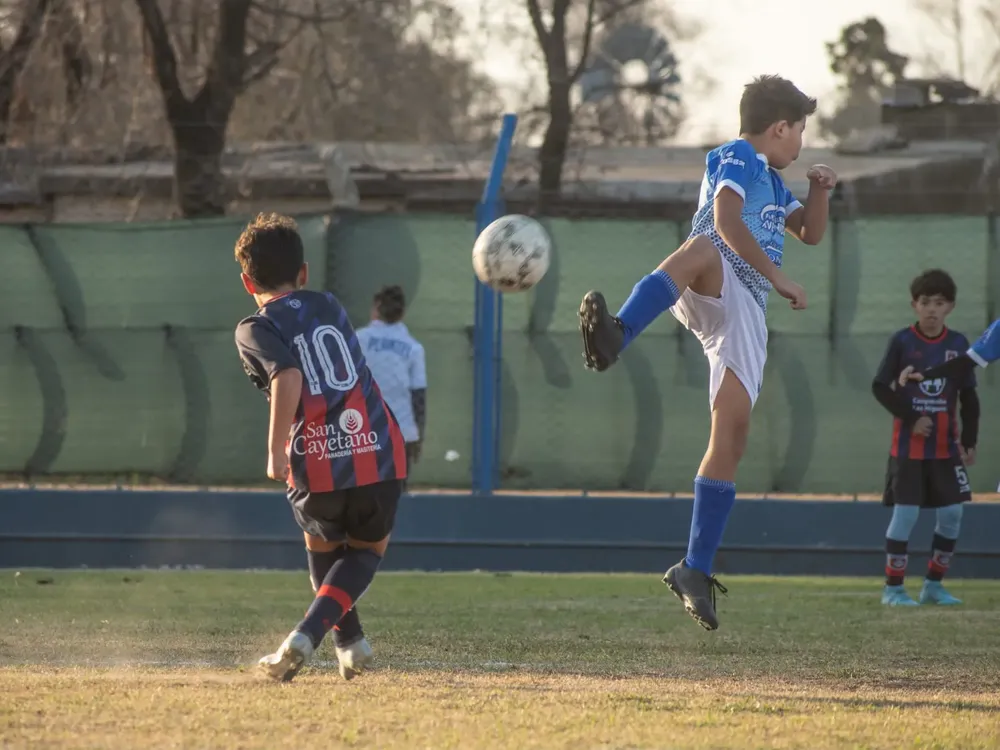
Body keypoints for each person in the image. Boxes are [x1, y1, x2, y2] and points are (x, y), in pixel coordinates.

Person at [577, 75, 835, 631]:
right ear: (779, 127)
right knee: (698, 248)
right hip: (721, 280)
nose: (802, 144)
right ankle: (615, 334)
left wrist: (820, 192)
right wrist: (781, 278)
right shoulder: (738, 154)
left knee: (731, 438)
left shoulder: (771, 178)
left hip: (740, 314)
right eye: (801, 133)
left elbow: (810, 234)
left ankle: (694, 569)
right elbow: (722, 223)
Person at [233, 213, 408, 682]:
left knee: (326, 553)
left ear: (247, 280)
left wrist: (274, 450)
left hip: (314, 460)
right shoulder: (329, 304)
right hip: (376, 445)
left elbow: (287, 375)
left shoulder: (252, 327)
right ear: (305, 273)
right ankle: (348, 644)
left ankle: (313, 639)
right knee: (365, 553)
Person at [872, 269, 979, 607]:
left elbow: (969, 398)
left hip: (946, 450)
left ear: (950, 307)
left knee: (952, 515)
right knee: (905, 516)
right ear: (914, 305)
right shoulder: (902, 342)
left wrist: (970, 440)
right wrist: (912, 417)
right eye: (925, 302)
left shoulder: (959, 345)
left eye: (939, 303)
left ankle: (933, 585)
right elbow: (880, 387)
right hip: (908, 449)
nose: (932, 309)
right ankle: (893, 590)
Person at [356, 285, 427, 481]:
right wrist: (419, 435)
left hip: (363, 431)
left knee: (363, 491)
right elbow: (418, 395)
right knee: (395, 494)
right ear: (402, 313)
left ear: (376, 308)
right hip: (401, 432)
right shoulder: (413, 347)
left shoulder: (358, 340)